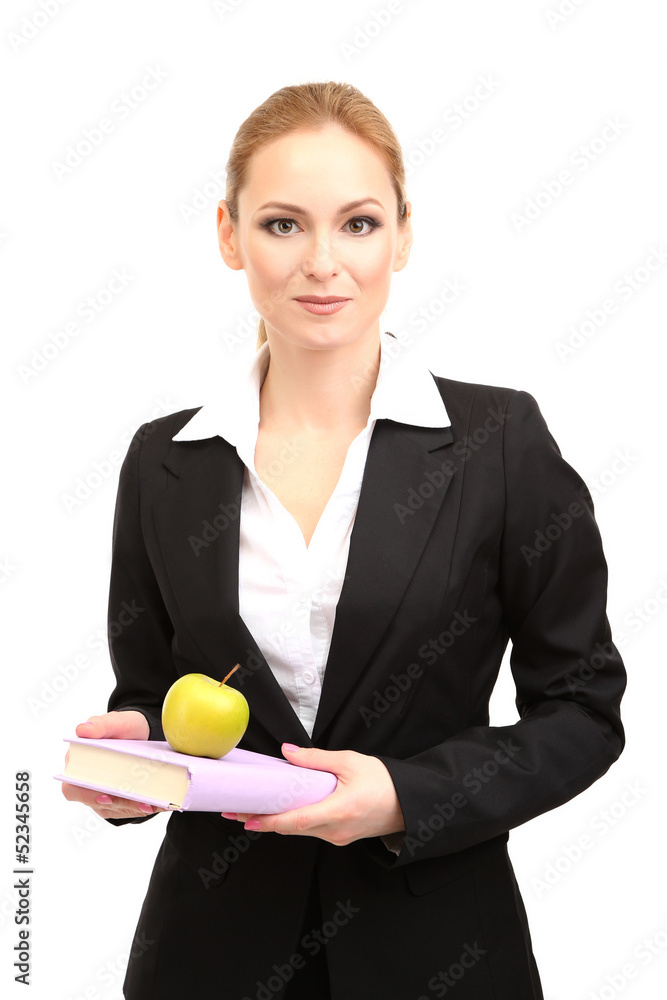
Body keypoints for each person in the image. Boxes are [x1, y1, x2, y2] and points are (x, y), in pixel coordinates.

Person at [61, 81, 627, 1000]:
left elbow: (582, 710)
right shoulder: (165, 462)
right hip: (210, 956)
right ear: (227, 234)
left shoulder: (500, 443)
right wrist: (138, 758)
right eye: (282, 224)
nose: (322, 262)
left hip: (438, 951)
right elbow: (156, 693)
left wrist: (406, 794)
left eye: (357, 224)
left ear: (403, 233)